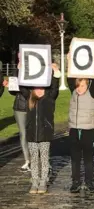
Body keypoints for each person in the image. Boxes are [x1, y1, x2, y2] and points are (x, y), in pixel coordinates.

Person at [20, 64, 61, 194]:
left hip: (45, 134)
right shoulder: (29, 98)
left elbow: (55, 87)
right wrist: (21, 70)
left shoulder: (49, 97)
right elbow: (22, 86)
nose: (38, 90)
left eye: (41, 87)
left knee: (44, 159)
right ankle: (34, 181)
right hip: (32, 134)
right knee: (34, 159)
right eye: (36, 88)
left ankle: (43, 182)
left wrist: (55, 72)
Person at [67, 53, 94, 194]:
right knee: (75, 159)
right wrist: (69, 61)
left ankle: (89, 182)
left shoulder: (91, 93)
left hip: (87, 130)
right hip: (74, 130)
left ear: (87, 85)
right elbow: (69, 78)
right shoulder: (74, 92)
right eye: (78, 86)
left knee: (88, 159)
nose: (80, 88)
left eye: (82, 86)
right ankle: (75, 181)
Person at [7, 61, 30, 172]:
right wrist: (10, 86)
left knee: (34, 133)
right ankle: (27, 160)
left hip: (32, 107)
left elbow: (28, 93)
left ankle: (36, 158)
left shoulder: (33, 71)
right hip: (19, 107)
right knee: (23, 134)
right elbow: (12, 91)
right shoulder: (16, 71)